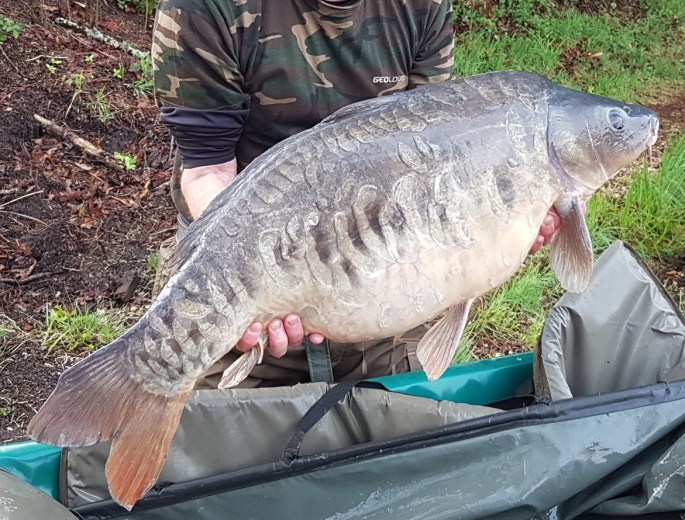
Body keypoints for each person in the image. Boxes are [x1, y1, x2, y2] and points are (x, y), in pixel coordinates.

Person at [151, 0, 561, 388]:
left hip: (385, 270)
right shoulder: (203, 7)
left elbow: (433, 153)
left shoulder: (422, 6)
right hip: (236, 267)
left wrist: (498, 228)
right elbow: (207, 171)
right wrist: (249, 289)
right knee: (185, 413)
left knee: (402, 429)